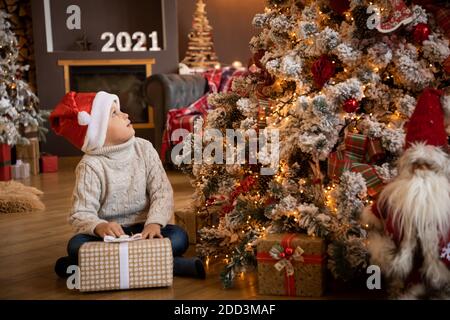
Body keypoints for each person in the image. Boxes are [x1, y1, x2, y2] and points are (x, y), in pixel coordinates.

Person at [50, 91, 205, 279]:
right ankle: (171, 265)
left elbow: (162, 192)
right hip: (110, 237)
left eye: (120, 110)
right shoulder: (90, 165)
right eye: (114, 113)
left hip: (145, 230)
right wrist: (99, 226)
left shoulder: (144, 148)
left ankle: (93, 266)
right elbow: (80, 213)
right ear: (98, 132)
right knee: (76, 245)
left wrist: (154, 223)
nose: (125, 115)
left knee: (180, 237)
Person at [361, 88, 450, 299]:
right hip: (401, 257)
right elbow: (375, 215)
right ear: (407, 166)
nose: (421, 170)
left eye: (427, 165)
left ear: (439, 167)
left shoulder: (445, 196)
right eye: (416, 164)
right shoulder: (393, 195)